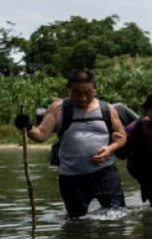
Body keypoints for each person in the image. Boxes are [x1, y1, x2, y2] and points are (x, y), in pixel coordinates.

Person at [14, 69, 128, 217]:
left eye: (88, 92)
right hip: (72, 176)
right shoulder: (58, 108)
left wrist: (110, 148)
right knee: (77, 222)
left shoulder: (107, 109)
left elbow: (122, 136)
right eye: (76, 92)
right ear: (68, 89)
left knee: (116, 216)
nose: (82, 98)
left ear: (95, 89)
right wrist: (28, 127)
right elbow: (41, 135)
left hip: (105, 173)